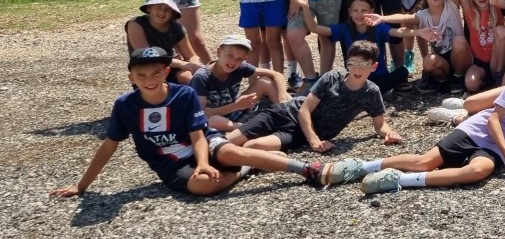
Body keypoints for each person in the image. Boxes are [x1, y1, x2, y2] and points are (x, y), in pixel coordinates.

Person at [51, 47, 367, 197]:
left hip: (203, 145)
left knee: (229, 151)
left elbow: (198, 135)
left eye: (156, 73)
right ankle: (246, 169)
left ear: (166, 72)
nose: (149, 80)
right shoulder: (125, 105)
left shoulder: (183, 94)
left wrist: (203, 161)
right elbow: (109, 146)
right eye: (141, 75)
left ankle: (306, 169)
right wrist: (82, 185)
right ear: (131, 77)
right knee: (202, 187)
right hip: (170, 165)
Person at [357, 40, 505, 194]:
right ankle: (362, 166)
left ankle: (399, 180)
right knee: (425, 162)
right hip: (478, 130)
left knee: (477, 172)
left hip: (494, 150)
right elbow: (493, 119)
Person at [224, 41, 404, 153]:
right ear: (347, 63)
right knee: (228, 141)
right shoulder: (331, 78)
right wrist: (314, 140)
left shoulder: (371, 91)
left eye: (363, 65)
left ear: (374, 66)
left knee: (251, 147)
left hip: (297, 134)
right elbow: (304, 109)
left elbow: (380, 124)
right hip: (285, 113)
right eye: (352, 63)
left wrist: (389, 133)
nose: (357, 69)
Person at [299, 0, 429, 95]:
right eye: (355, 10)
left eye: (364, 10)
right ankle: (371, 93)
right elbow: (315, 28)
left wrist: (418, 32)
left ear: (372, 11)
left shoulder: (378, 27)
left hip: (379, 77)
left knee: (402, 71)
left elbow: (398, 32)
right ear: (350, 12)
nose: (359, 14)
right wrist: (305, 7)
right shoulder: (344, 29)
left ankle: (368, 93)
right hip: (356, 77)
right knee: (338, 80)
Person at [191, 34, 289, 132]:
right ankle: (251, 128)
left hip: (234, 110)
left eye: (239, 59)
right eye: (230, 55)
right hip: (216, 117)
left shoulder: (240, 67)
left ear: (244, 58)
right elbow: (200, 114)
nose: (233, 62)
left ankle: (290, 112)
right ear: (219, 52)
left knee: (265, 81)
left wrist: (282, 100)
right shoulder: (202, 77)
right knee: (212, 120)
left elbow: (277, 75)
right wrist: (236, 106)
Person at [125, 0, 202, 85]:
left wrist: (196, 66)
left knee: (188, 78)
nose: (162, 12)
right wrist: (182, 64)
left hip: (171, 65)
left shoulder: (177, 27)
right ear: (149, 8)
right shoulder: (136, 24)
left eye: (167, 9)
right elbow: (147, 55)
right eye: (158, 7)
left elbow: (191, 55)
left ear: (173, 12)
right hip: (146, 68)